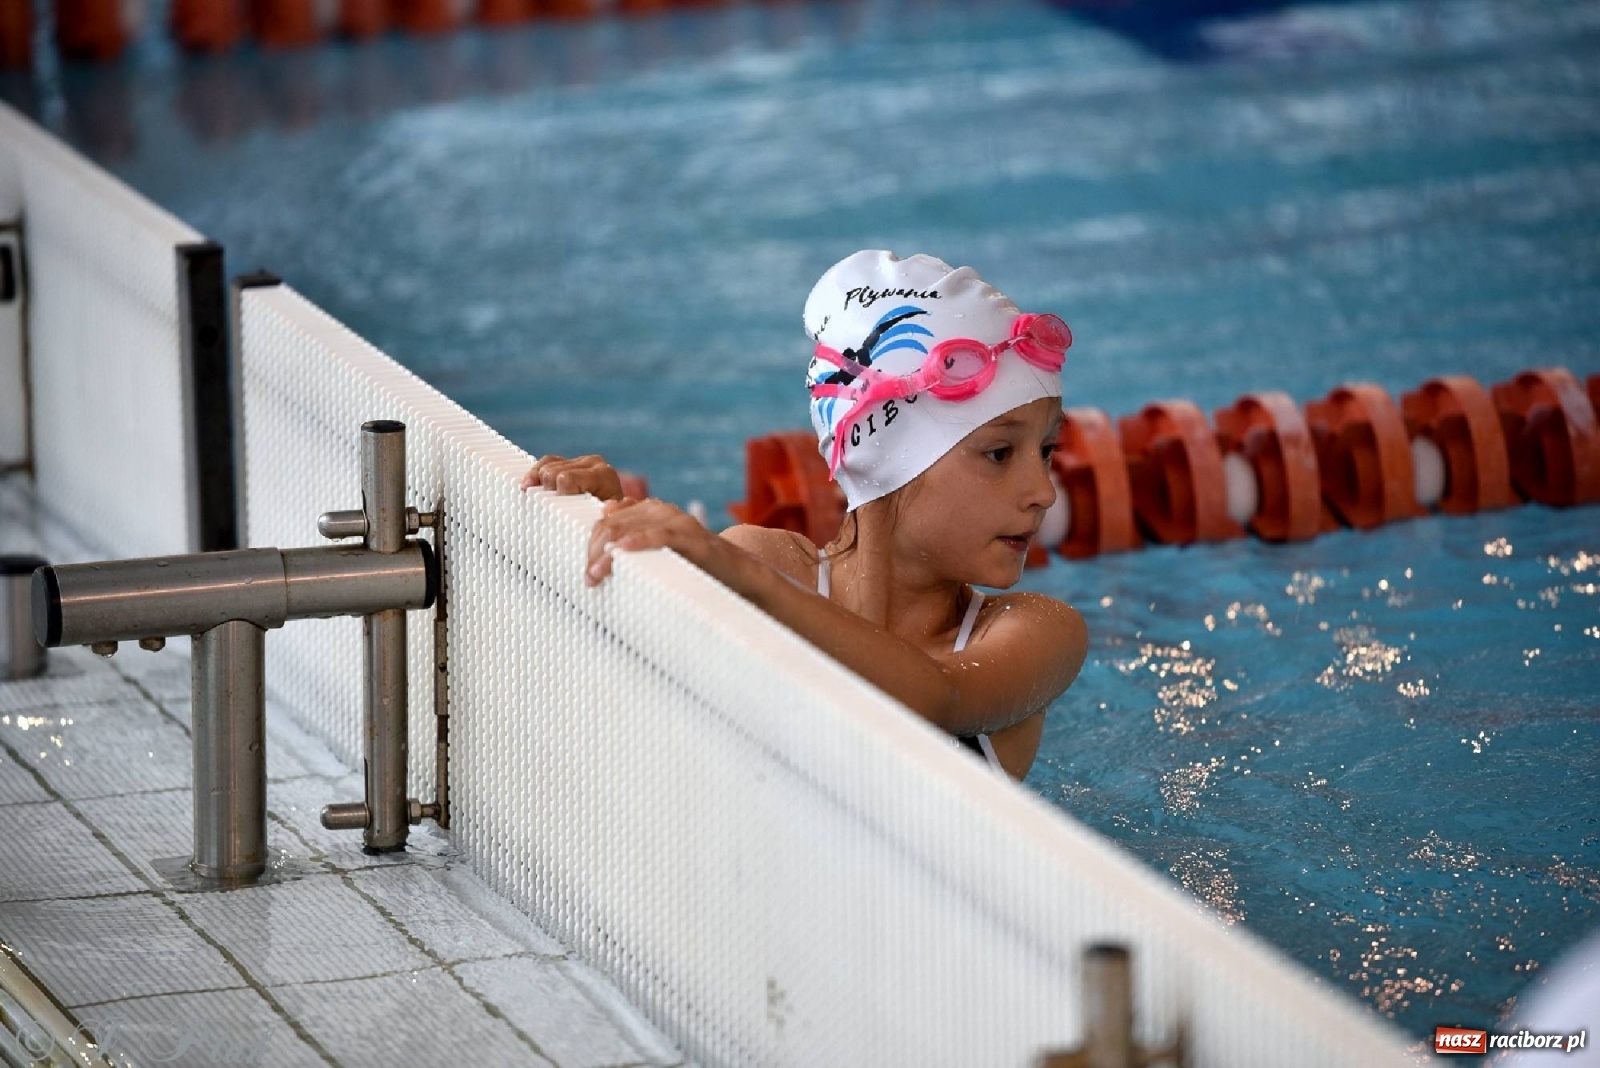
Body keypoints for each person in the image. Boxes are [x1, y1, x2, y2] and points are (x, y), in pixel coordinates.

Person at [521, 250, 1088, 780]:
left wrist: (737, 575)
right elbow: (624, 706)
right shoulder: (770, 563)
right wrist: (609, 531)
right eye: (999, 453)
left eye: (1046, 451)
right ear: (892, 459)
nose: (1043, 492)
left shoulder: (1036, 635)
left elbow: (939, 699)